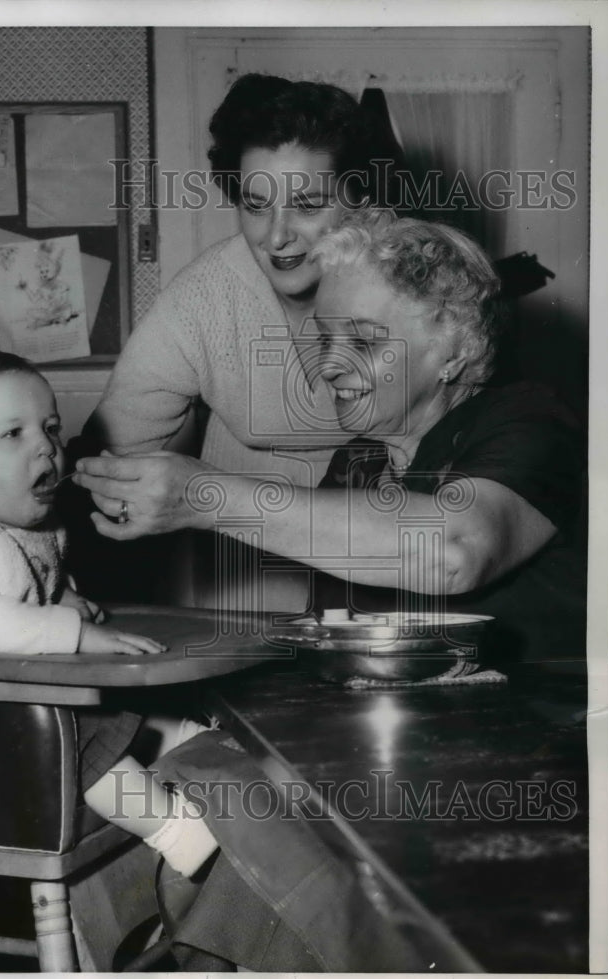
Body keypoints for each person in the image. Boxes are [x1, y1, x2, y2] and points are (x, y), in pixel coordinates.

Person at [73, 207, 586, 664]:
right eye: (325, 338)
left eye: (362, 341)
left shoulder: (534, 421)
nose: (329, 366)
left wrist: (207, 498)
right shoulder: (359, 461)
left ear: (455, 353)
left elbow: (451, 551)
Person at [0, 351, 218, 879]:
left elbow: (29, 572)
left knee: (116, 697)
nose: (46, 446)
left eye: (51, 427)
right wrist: (74, 631)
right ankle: (173, 830)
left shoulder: (21, 515)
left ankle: (180, 739)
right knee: (80, 742)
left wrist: (62, 598)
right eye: (13, 434)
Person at [68, 71, 403, 608]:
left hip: (390, 571)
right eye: (254, 205)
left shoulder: (413, 286)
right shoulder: (207, 296)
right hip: (240, 585)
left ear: (361, 202)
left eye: (309, 206)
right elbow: (113, 452)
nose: (276, 236)